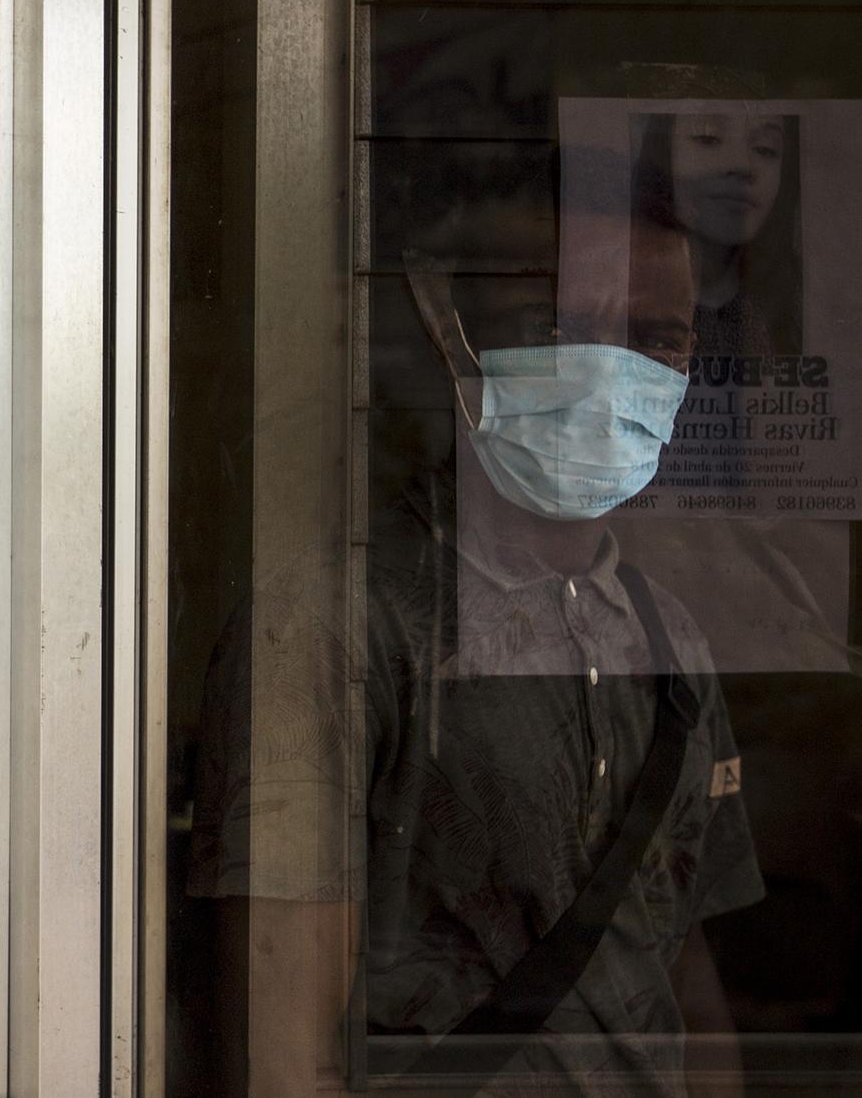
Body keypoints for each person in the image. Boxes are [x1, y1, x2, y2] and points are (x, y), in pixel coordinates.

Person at [190, 199, 762, 1096]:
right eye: (560, 325)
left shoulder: (664, 636)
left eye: (660, 339)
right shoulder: (336, 626)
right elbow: (286, 1043)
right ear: (455, 334)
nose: (610, 370)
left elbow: (682, 975)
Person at [631, 110, 802, 358]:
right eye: (707, 138)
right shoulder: (617, 293)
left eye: (765, 149)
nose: (741, 165)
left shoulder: (801, 307)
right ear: (663, 151)